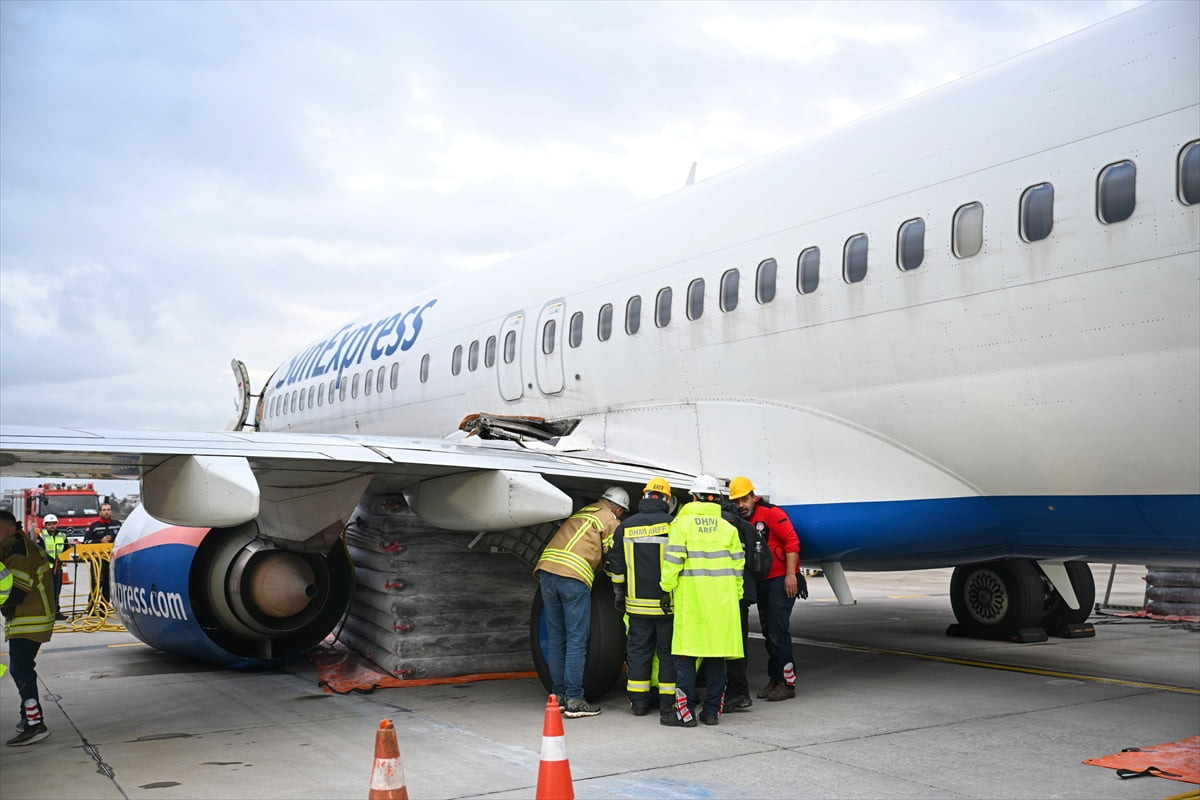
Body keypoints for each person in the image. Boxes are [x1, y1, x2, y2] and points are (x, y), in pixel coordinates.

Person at [533, 487, 628, 719]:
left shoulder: (582, 513)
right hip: (572, 577)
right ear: (618, 508)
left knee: (557, 638)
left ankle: (559, 696)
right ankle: (575, 699)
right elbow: (613, 556)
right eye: (622, 513)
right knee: (577, 640)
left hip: (546, 571)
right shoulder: (610, 520)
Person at [660, 475, 744, 727]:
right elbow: (739, 566)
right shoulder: (729, 529)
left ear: (693, 497)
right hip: (722, 604)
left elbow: (673, 561)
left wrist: (666, 587)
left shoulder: (682, 525)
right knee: (716, 659)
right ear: (717, 499)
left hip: (692, 603)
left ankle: (684, 715)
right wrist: (735, 595)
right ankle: (711, 713)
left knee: (685, 657)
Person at [607, 477, 683, 725]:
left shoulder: (625, 527)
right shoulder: (674, 526)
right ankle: (666, 705)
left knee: (638, 652)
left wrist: (620, 591)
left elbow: (615, 564)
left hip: (636, 605)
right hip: (667, 606)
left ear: (645, 497)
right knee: (667, 654)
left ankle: (639, 704)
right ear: (666, 499)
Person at [729, 476, 805, 701]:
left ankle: (787, 683)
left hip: (780, 580)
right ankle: (775, 678)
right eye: (736, 502)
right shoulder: (741, 521)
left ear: (753, 496)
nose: (741, 505)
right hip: (762, 582)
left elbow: (792, 543)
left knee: (778, 632)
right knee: (768, 633)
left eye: (744, 500)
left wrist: (791, 575)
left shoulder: (772, 514)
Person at [1, 509, 55, 746]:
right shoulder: (15, 546)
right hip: (29, 617)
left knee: (20, 669)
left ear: (11, 529)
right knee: (22, 668)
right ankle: (27, 718)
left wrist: (4, 605)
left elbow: (17, 591)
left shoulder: (19, 553)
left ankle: (35, 724)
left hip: (30, 619)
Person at [719, 494, 759, 711]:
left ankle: (732, 692)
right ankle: (739, 692)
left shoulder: (721, 527)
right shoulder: (748, 528)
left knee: (719, 644)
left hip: (723, 594)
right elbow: (757, 562)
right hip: (743, 594)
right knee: (739, 644)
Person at [34, 515, 69, 620]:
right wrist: (52, 560)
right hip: (47, 568)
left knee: (57, 591)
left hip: (58, 568)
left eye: (53, 524)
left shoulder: (62, 536)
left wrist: (63, 558)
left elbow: (67, 549)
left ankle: (56, 612)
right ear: (45, 525)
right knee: (47, 591)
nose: (52, 526)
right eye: (49, 524)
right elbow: (41, 552)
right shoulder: (41, 536)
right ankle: (47, 612)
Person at [84, 503, 121, 603]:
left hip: (111, 560)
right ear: (100, 512)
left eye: (108, 510)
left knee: (108, 585)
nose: (106, 512)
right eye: (104, 510)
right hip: (97, 560)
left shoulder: (117, 524)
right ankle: (92, 608)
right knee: (95, 584)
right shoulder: (93, 526)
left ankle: (103, 608)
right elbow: (86, 542)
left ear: (111, 512)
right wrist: (100, 541)